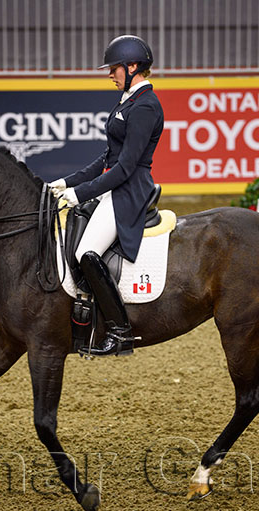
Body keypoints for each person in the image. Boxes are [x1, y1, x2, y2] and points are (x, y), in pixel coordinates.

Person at [49, 34, 164, 357]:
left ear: (132, 66)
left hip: (129, 190)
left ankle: (120, 330)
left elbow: (125, 167)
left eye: (113, 68)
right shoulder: (128, 100)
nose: (109, 74)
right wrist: (65, 183)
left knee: (87, 252)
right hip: (115, 186)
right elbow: (106, 158)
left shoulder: (145, 106)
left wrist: (79, 194)